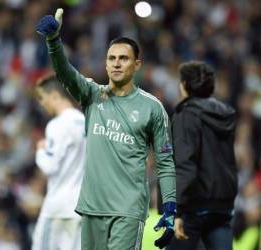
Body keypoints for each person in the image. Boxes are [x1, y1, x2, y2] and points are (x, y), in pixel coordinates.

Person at [36, 8, 177, 250]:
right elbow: (65, 74)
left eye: (123, 58)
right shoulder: (92, 94)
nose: (116, 64)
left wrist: (170, 206)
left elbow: (165, 161)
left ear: (137, 64)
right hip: (91, 208)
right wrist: (54, 42)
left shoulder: (152, 108)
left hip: (128, 210)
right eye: (111, 58)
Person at [167, 61, 238, 250]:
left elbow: (185, 165)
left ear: (185, 85)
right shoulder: (226, 114)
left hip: (194, 206)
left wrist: (177, 211)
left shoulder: (185, 115)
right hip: (222, 206)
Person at [33, 74, 86, 250]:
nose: (42, 103)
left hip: (57, 207)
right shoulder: (88, 123)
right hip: (80, 207)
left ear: (55, 95)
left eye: (42, 97)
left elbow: (50, 166)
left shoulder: (57, 125)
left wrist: (40, 150)